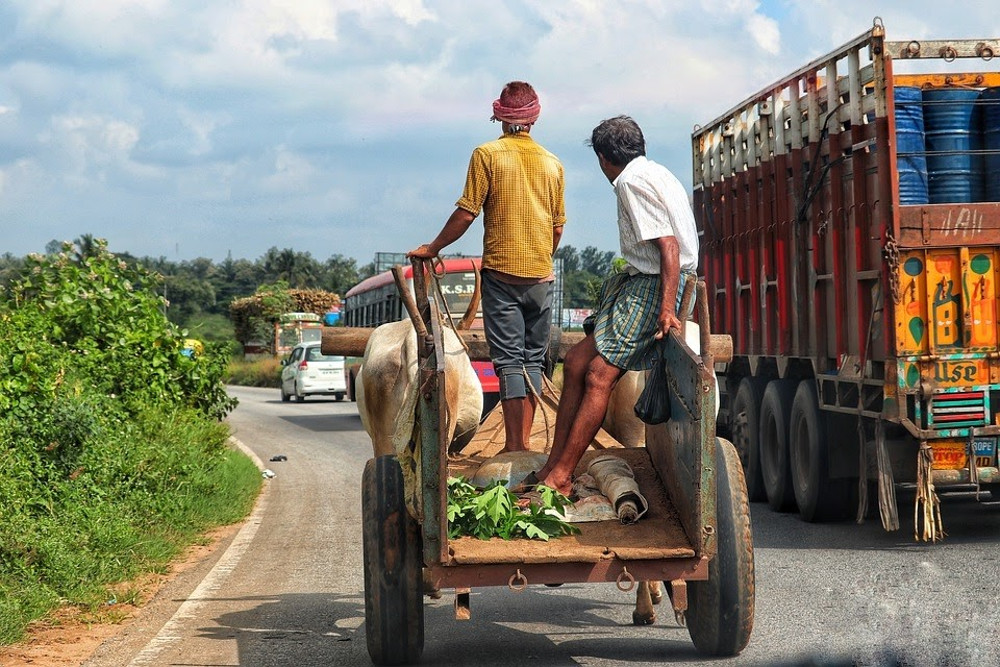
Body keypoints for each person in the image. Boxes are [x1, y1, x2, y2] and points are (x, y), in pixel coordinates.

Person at [527, 115, 699, 496]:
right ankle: (552, 467)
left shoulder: (630, 182)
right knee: (574, 363)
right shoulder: (656, 172)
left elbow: (668, 247)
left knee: (599, 375)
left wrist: (666, 309)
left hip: (654, 283)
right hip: (645, 279)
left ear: (604, 158)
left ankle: (561, 476)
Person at [407, 81, 566, 453]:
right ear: (535, 118)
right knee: (532, 361)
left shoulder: (487, 155)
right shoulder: (553, 163)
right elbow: (557, 227)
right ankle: (525, 445)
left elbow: (466, 213)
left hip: (502, 277)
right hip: (542, 278)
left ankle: (515, 448)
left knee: (510, 362)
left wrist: (433, 248)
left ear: (499, 116)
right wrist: (540, 255)